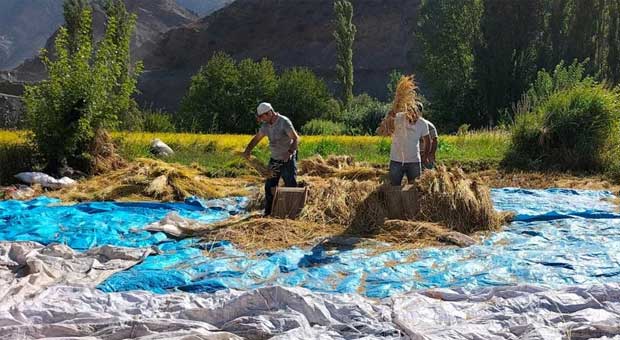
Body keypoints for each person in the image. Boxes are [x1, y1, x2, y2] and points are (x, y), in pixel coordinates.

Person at [243, 102, 300, 216]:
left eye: (262, 117)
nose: (262, 120)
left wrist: (289, 153)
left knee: (290, 186)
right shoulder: (266, 125)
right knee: (269, 187)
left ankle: (293, 214)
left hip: (287, 159)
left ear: (269, 113)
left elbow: (296, 139)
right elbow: (256, 138)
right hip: (275, 160)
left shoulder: (284, 122)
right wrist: (247, 150)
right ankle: (268, 213)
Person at [377, 104, 431, 186]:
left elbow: (428, 140)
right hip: (396, 161)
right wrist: (390, 115)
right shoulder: (398, 118)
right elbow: (386, 129)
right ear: (408, 111)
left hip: (414, 162)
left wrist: (425, 156)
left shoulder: (422, 123)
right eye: (413, 113)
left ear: (420, 113)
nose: (414, 116)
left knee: (414, 188)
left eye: (417, 114)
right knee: (393, 187)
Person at [417, 103, 438, 169]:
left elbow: (434, 140)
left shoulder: (429, 125)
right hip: (414, 155)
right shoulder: (408, 125)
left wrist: (431, 154)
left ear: (420, 112)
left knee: (428, 171)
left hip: (425, 153)